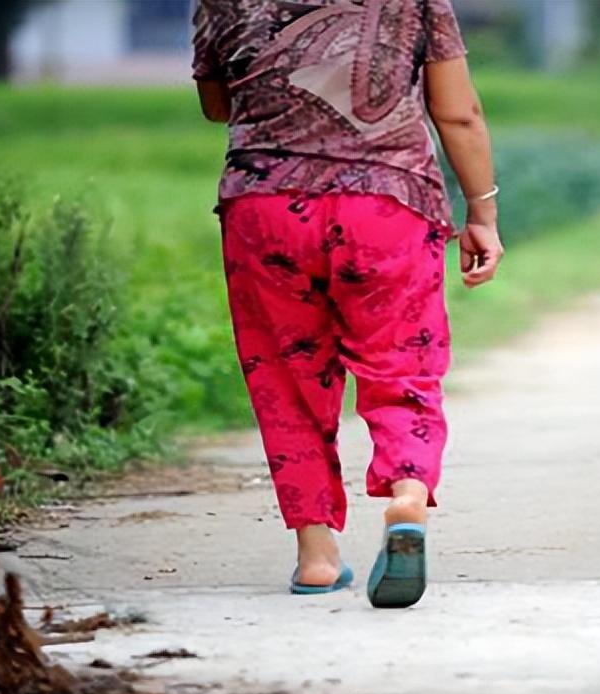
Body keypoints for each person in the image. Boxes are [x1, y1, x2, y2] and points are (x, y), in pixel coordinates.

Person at [191, 0, 502, 608]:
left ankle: (315, 554)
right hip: (386, 205)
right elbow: (458, 114)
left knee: (286, 378)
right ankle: (407, 495)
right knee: (402, 365)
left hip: (267, 208)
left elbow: (218, 104)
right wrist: (482, 213)